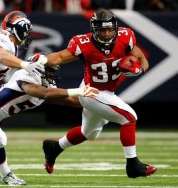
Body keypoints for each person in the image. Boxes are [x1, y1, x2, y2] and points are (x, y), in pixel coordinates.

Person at [40, 8, 157, 178]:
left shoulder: (126, 37)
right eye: (102, 30)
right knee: (129, 117)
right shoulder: (83, 44)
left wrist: (140, 71)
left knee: (89, 133)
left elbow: (141, 59)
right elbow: (58, 57)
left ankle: (54, 147)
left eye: (110, 29)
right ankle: (133, 165)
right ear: (94, 29)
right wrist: (41, 59)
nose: (107, 34)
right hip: (91, 91)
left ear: (116, 29)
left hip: (106, 92)